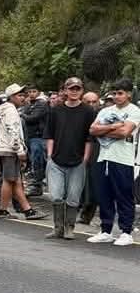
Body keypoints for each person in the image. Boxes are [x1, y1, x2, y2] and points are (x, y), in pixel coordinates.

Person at [87, 79, 140, 246]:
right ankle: (106, 230)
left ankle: (126, 231)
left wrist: (104, 131)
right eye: (114, 93)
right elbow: (92, 130)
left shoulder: (134, 111)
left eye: (120, 93)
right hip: (104, 157)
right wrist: (113, 127)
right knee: (104, 195)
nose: (117, 96)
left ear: (128, 94)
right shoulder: (105, 111)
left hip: (123, 159)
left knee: (124, 195)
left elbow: (125, 132)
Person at [43, 77, 95, 240]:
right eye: (71, 88)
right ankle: (58, 227)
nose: (74, 91)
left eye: (77, 88)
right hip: (57, 160)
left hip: (77, 161)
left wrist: (85, 159)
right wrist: (50, 156)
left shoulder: (88, 112)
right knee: (56, 196)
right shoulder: (55, 110)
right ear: (65, 90)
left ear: (82, 91)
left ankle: (69, 228)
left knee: (73, 197)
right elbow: (49, 135)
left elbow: (89, 138)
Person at [0, 84, 47, 220]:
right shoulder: (11, 110)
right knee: (9, 179)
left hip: (3, 147)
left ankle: (27, 210)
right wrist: (20, 150)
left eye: (23, 95)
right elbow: (13, 131)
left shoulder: (1, 109)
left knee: (16, 180)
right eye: (19, 95)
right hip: (10, 149)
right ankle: (3, 210)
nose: (22, 98)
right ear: (11, 97)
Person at [79, 91, 103, 225]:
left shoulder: (103, 115)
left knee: (93, 182)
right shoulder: (78, 114)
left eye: (94, 102)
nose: (92, 105)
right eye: (88, 102)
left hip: (97, 148)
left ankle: (87, 213)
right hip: (78, 149)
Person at [21, 86, 50, 196]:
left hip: (39, 137)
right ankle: (36, 185)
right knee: (32, 161)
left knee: (37, 160)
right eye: (29, 92)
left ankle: (38, 184)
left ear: (39, 92)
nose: (32, 94)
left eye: (34, 91)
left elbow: (33, 118)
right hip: (29, 136)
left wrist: (23, 114)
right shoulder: (28, 105)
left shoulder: (41, 104)